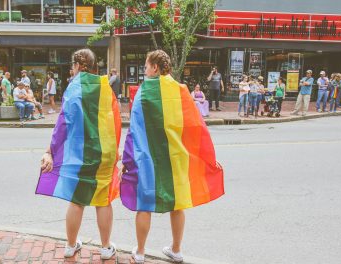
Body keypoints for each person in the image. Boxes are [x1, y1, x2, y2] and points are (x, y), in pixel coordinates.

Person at [121, 50, 224, 264]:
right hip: (175, 156)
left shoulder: (143, 92)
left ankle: (140, 252)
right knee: (177, 203)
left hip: (147, 158)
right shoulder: (181, 90)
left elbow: (134, 130)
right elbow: (196, 128)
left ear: (155, 67)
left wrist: (128, 160)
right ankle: (176, 250)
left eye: (147, 67)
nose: (145, 71)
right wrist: (208, 158)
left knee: (144, 203)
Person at [37, 48, 121, 260]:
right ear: (93, 66)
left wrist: (51, 151)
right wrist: (115, 150)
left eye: (72, 66)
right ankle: (105, 247)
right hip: (103, 152)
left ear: (77, 66)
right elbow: (114, 122)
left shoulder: (73, 89)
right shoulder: (105, 87)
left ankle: (70, 245)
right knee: (103, 200)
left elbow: (63, 124)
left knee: (77, 200)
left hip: (78, 153)